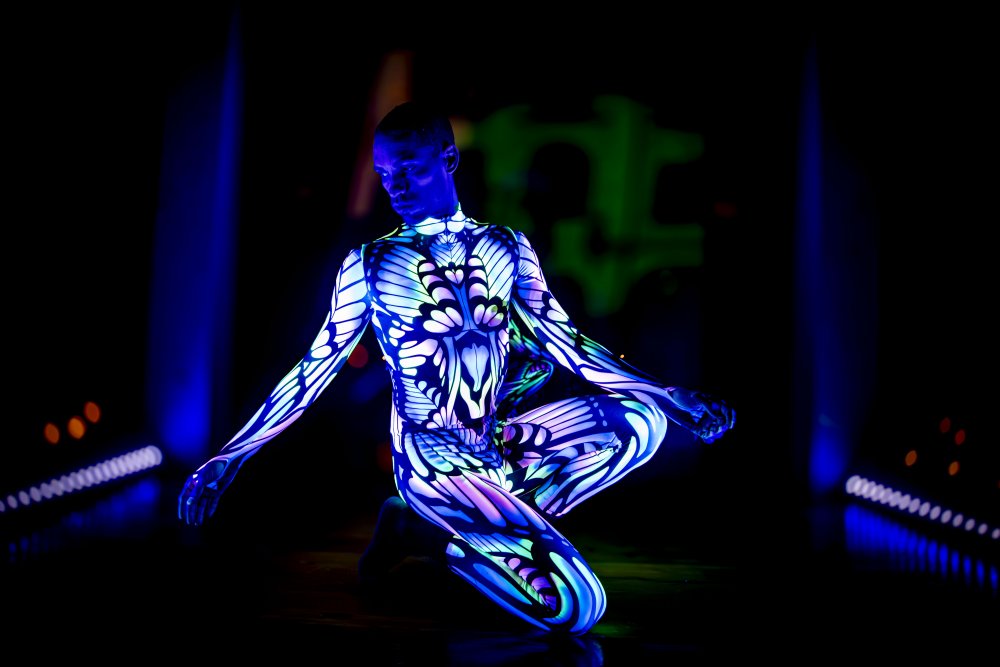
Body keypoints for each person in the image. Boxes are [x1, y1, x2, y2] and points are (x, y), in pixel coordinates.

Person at [177, 100, 736, 636]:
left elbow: (568, 343)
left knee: (642, 421)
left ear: (448, 158)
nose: (394, 186)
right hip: (432, 460)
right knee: (576, 607)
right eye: (385, 173)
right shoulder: (371, 264)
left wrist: (668, 396)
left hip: (495, 446)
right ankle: (435, 535)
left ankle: (439, 527)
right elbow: (314, 368)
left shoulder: (507, 246)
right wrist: (230, 456)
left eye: (409, 169)